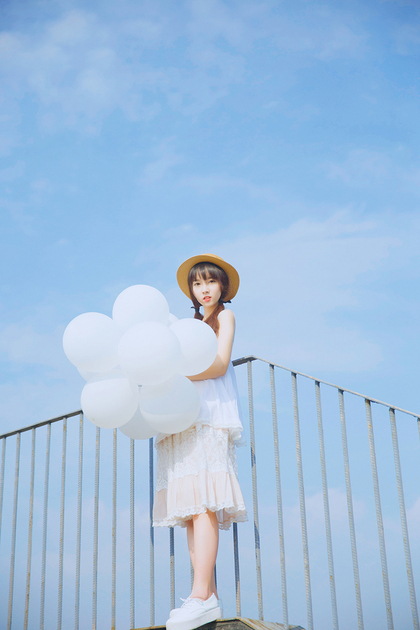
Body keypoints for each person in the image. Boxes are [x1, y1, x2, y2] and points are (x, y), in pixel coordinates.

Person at [153, 254, 247, 630]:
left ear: (223, 286)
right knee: (193, 509)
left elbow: (220, 364)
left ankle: (199, 594)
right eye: (197, 283)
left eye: (210, 281)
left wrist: (176, 375)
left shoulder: (225, 316)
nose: (204, 289)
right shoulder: (188, 327)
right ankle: (206, 597)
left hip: (209, 417)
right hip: (183, 418)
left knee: (205, 503)